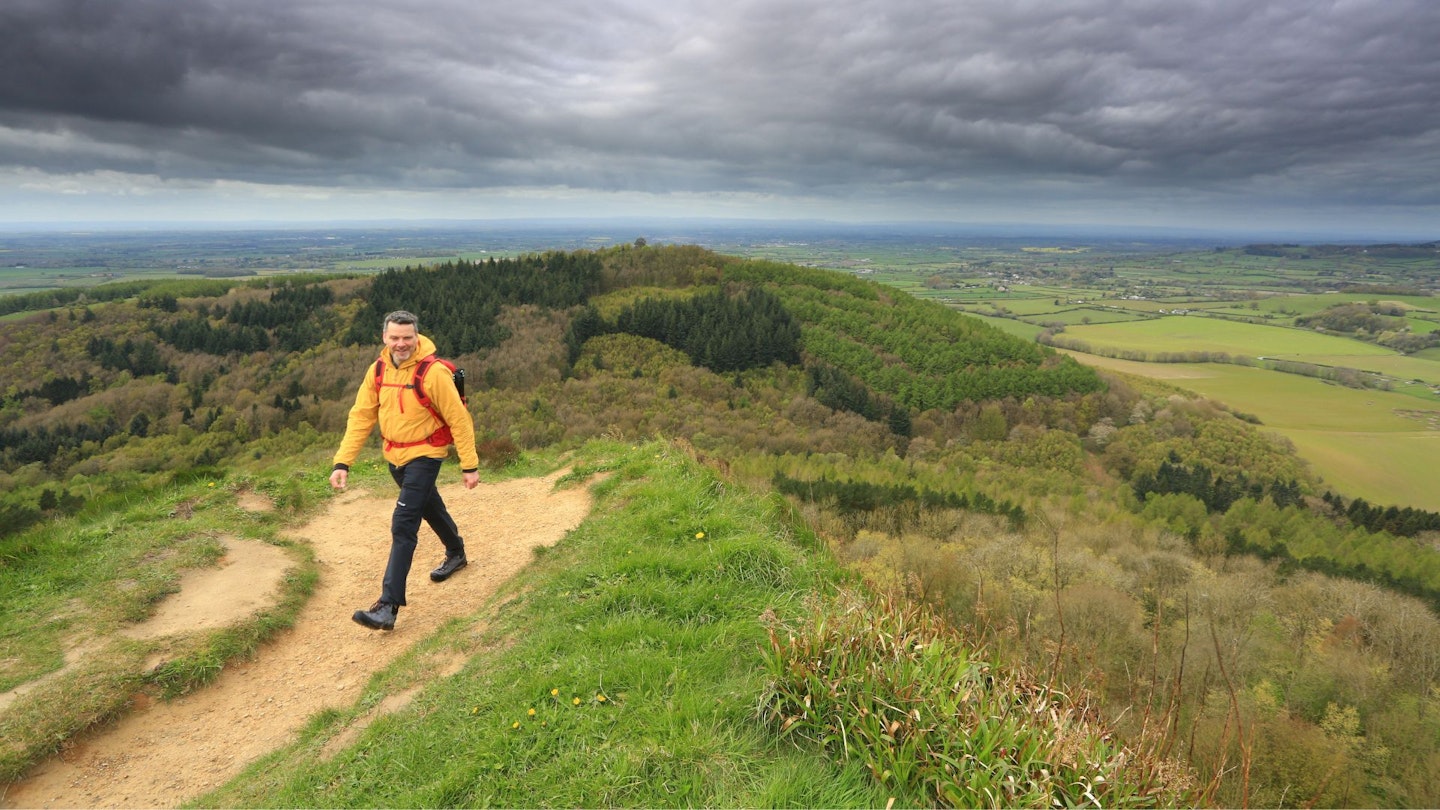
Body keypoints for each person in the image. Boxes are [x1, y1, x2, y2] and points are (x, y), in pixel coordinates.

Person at [330, 310, 480, 631]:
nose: (401, 344)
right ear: (384, 337)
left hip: (426, 454)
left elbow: (458, 419)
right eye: (395, 338)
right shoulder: (379, 370)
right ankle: (456, 552)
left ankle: (388, 605)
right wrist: (343, 461)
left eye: (407, 338)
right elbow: (361, 417)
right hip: (394, 457)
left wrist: (469, 464)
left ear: (417, 337)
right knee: (428, 505)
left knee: (403, 523)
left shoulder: (433, 373)